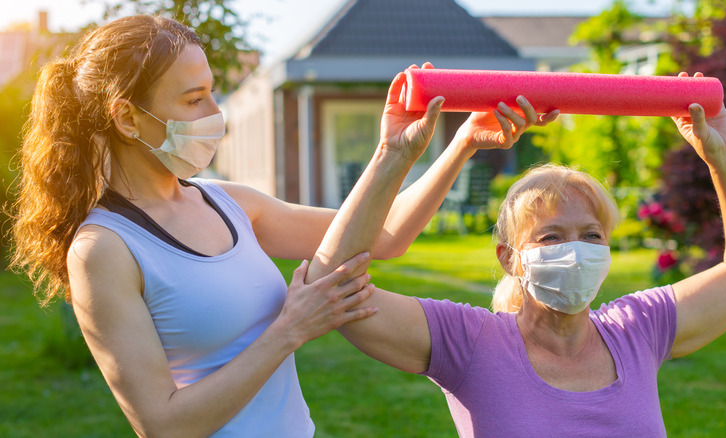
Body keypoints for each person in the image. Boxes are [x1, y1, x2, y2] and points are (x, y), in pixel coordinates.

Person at [8, 14, 559, 437]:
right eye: (194, 99)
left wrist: (456, 143)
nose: (215, 113)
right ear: (127, 117)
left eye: (212, 92)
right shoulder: (104, 248)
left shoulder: (227, 203)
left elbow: (386, 234)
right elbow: (163, 424)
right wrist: (291, 328)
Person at [303, 73, 726, 437]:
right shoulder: (471, 343)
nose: (575, 251)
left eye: (592, 236)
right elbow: (334, 284)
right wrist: (394, 154)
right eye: (551, 237)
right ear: (510, 257)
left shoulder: (639, 329)